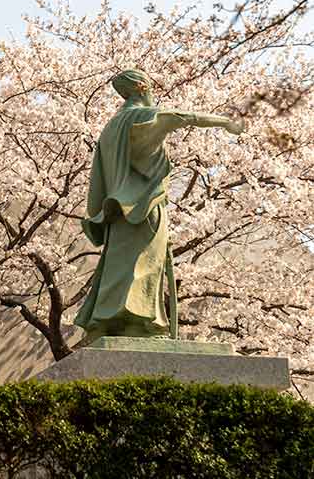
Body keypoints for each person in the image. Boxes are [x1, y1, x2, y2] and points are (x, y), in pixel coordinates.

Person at [74, 69, 242, 341]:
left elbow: (96, 184)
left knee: (118, 270)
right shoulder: (141, 116)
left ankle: (105, 324)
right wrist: (224, 121)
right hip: (144, 208)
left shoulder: (109, 129)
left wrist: (99, 215)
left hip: (116, 214)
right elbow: (181, 117)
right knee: (144, 270)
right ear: (142, 88)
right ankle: (140, 325)